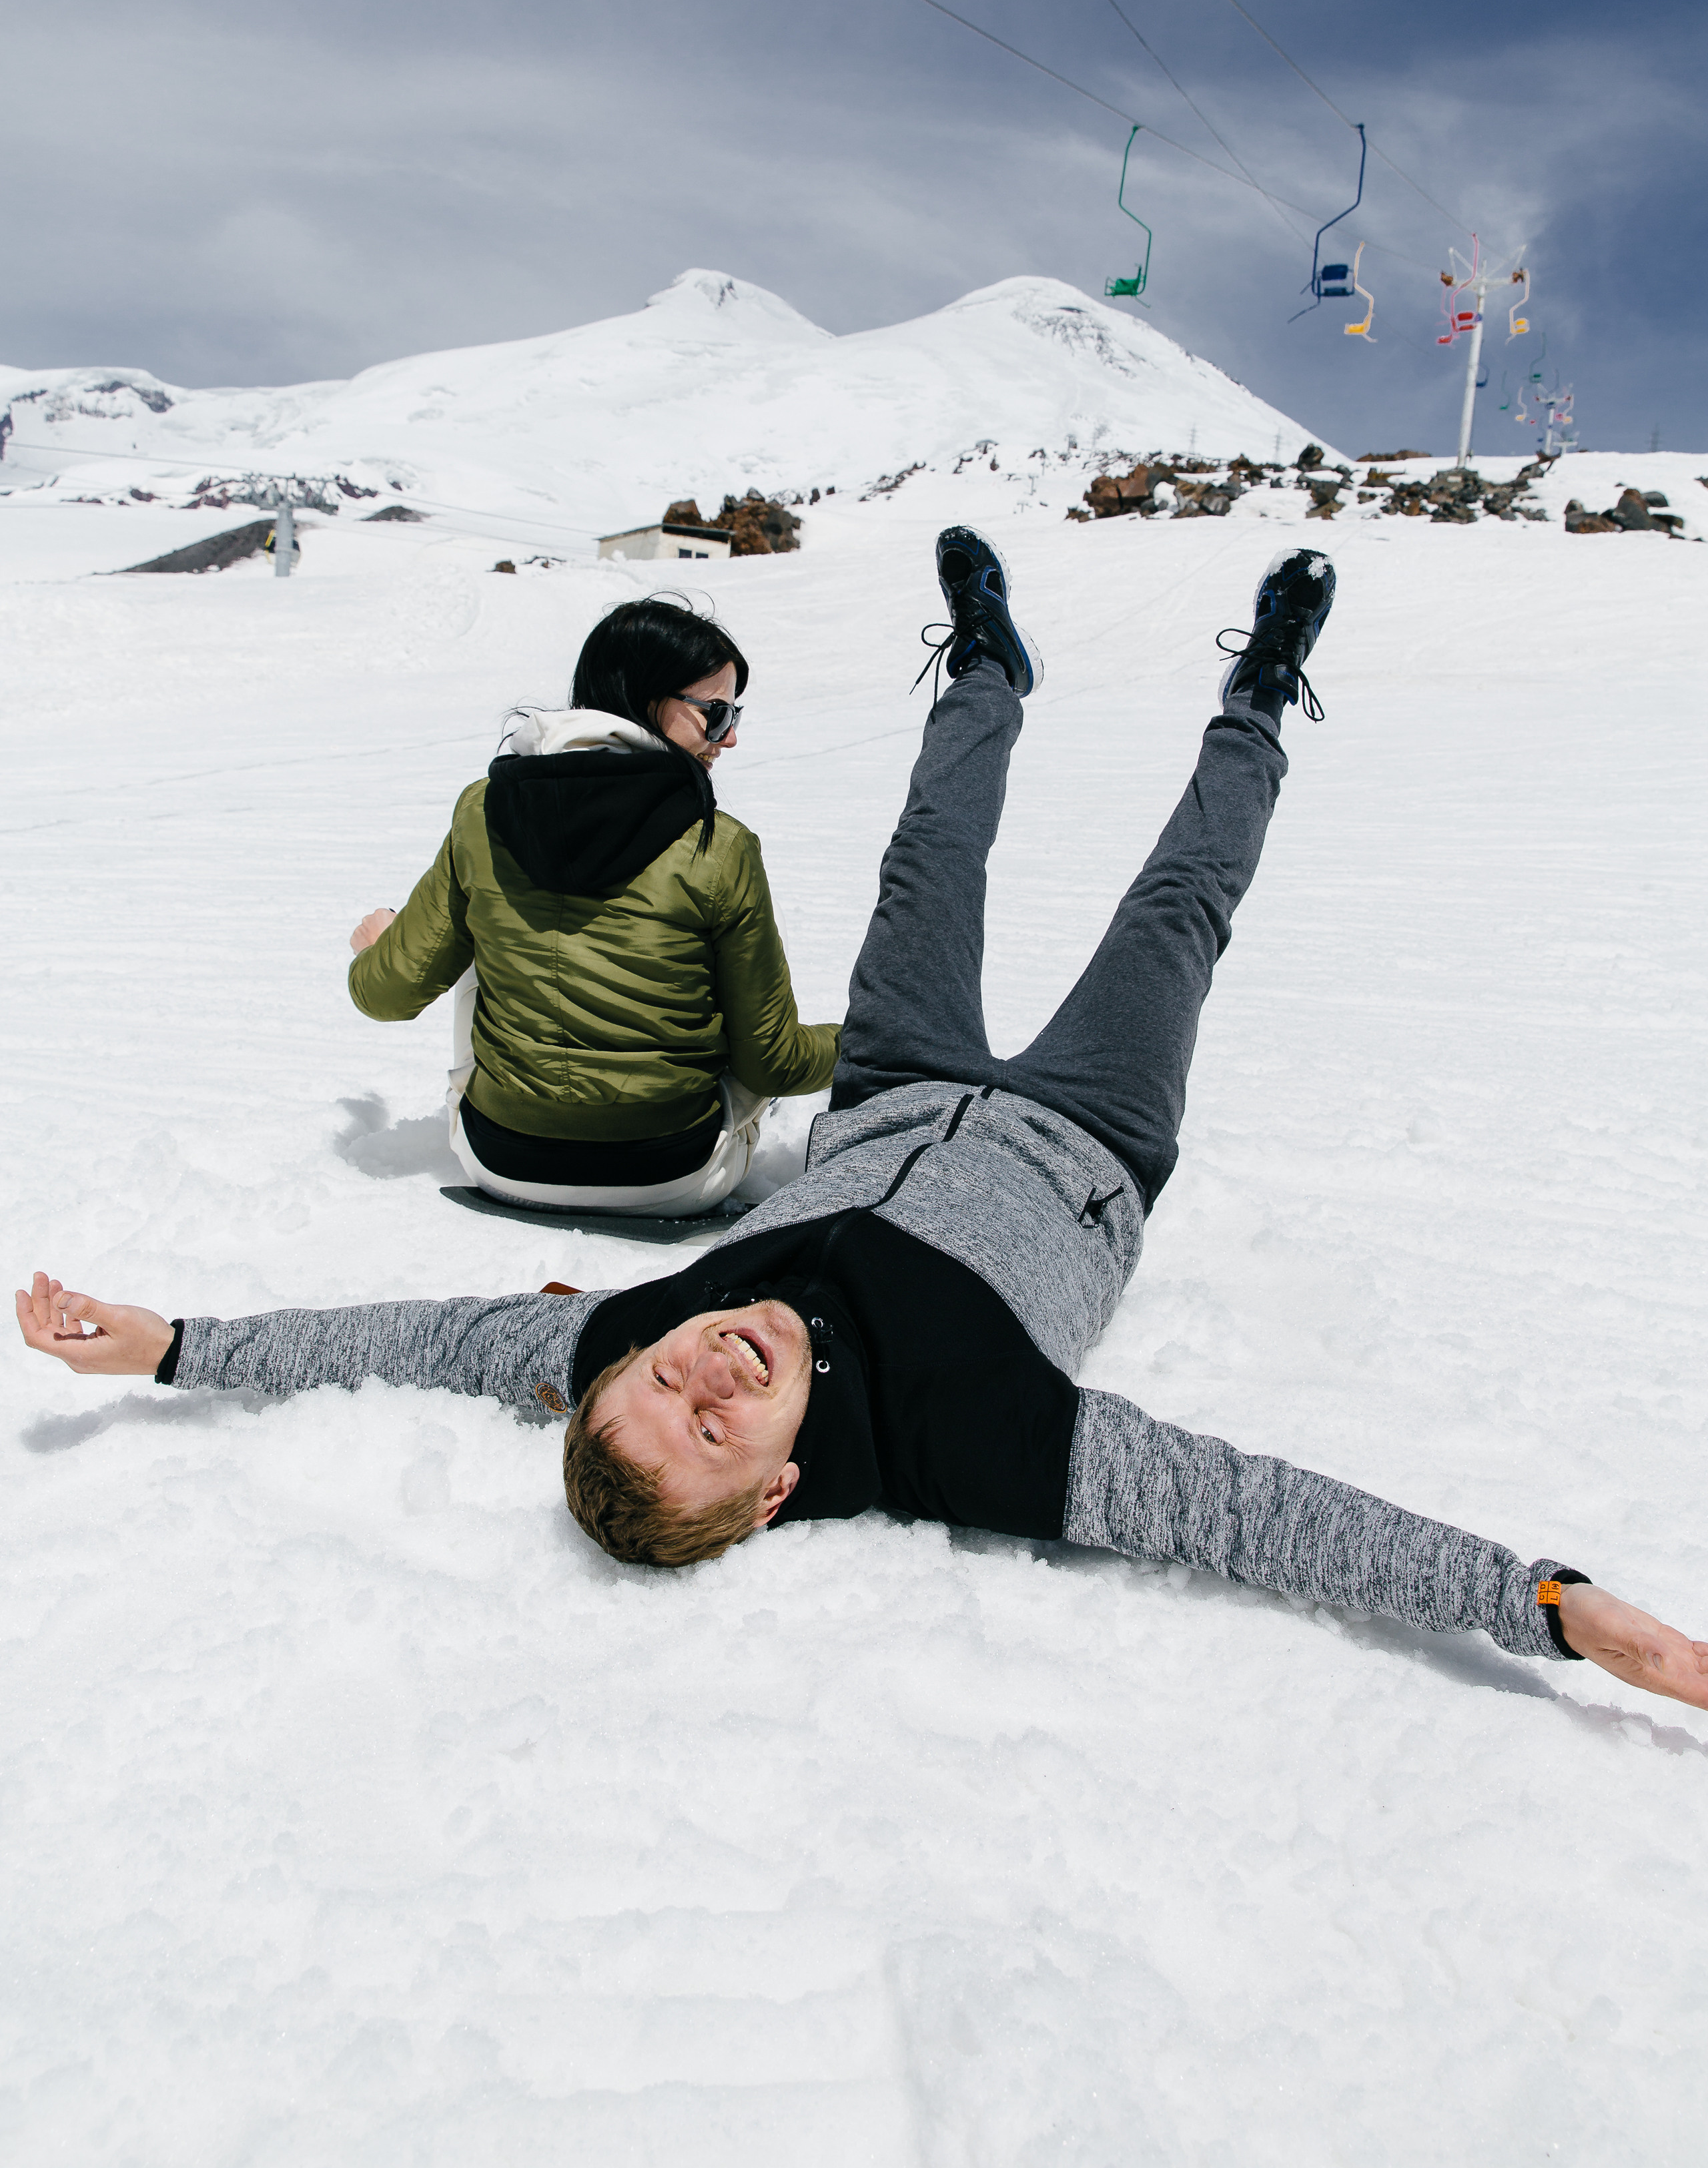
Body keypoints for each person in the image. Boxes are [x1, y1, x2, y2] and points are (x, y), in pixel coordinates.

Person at [16, 534, 1708, 1714]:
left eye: (647, 1381)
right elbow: (1266, 1516)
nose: (702, 1372)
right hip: (1082, 1140)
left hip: (891, 1086)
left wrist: (171, 1343)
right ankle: (1261, 688)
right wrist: (1549, 1607)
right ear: (770, 1499)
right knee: (1177, 902)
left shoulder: (624, 1331)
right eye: (710, 1429)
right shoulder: (977, 1446)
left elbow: (399, 1335)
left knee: (923, 858)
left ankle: (985, 663)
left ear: (598, 1369)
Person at [345, 596, 838, 1216]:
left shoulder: (485, 812)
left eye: (733, 714)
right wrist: (867, 1040)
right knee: (731, 943)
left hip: (501, 1159)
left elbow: (386, 995)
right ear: (646, 698)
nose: (731, 737)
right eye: (715, 714)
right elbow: (772, 1065)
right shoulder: (720, 844)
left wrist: (384, 946)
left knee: (483, 929)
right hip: (675, 1174)